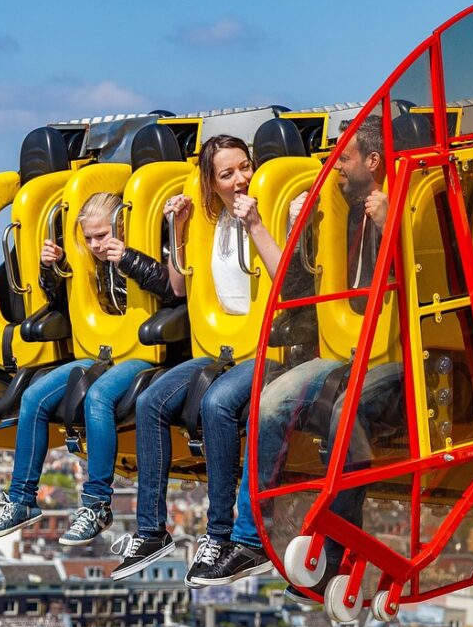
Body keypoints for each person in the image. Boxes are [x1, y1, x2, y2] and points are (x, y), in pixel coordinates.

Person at [233, 114, 405, 596]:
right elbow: (300, 286)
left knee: (349, 413)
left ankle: (332, 553)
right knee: (271, 403)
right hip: (343, 346)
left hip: (398, 351)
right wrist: (298, 230)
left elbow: (423, 284)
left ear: (373, 161)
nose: (336, 169)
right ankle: (261, 530)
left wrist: (389, 224)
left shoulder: (406, 204)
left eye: (344, 159)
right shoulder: (337, 210)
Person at [110, 135, 283, 584]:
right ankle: (151, 531)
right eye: (227, 174)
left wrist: (257, 225)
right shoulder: (213, 221)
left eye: (244, 166)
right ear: (211, 184)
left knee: (217, 404)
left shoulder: (272, 208)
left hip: (268, 347)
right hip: (223, 345)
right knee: (151, 402)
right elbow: (182, 288)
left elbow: (287, 279)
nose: (240, 179)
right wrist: (178, 232)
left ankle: (221, 535)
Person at [0, 192, 179, 545]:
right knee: (33, 398)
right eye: (88, 238)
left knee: (99, 398)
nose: (94, 245)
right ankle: (22, 499)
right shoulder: (85, 260)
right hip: (98, 349)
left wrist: (130, 260)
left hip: (141, 349)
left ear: (119, 227)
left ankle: (96, 504)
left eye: (101, 236)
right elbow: (60, 302)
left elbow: (174, 292)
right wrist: (51, 269)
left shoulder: (150, 244)